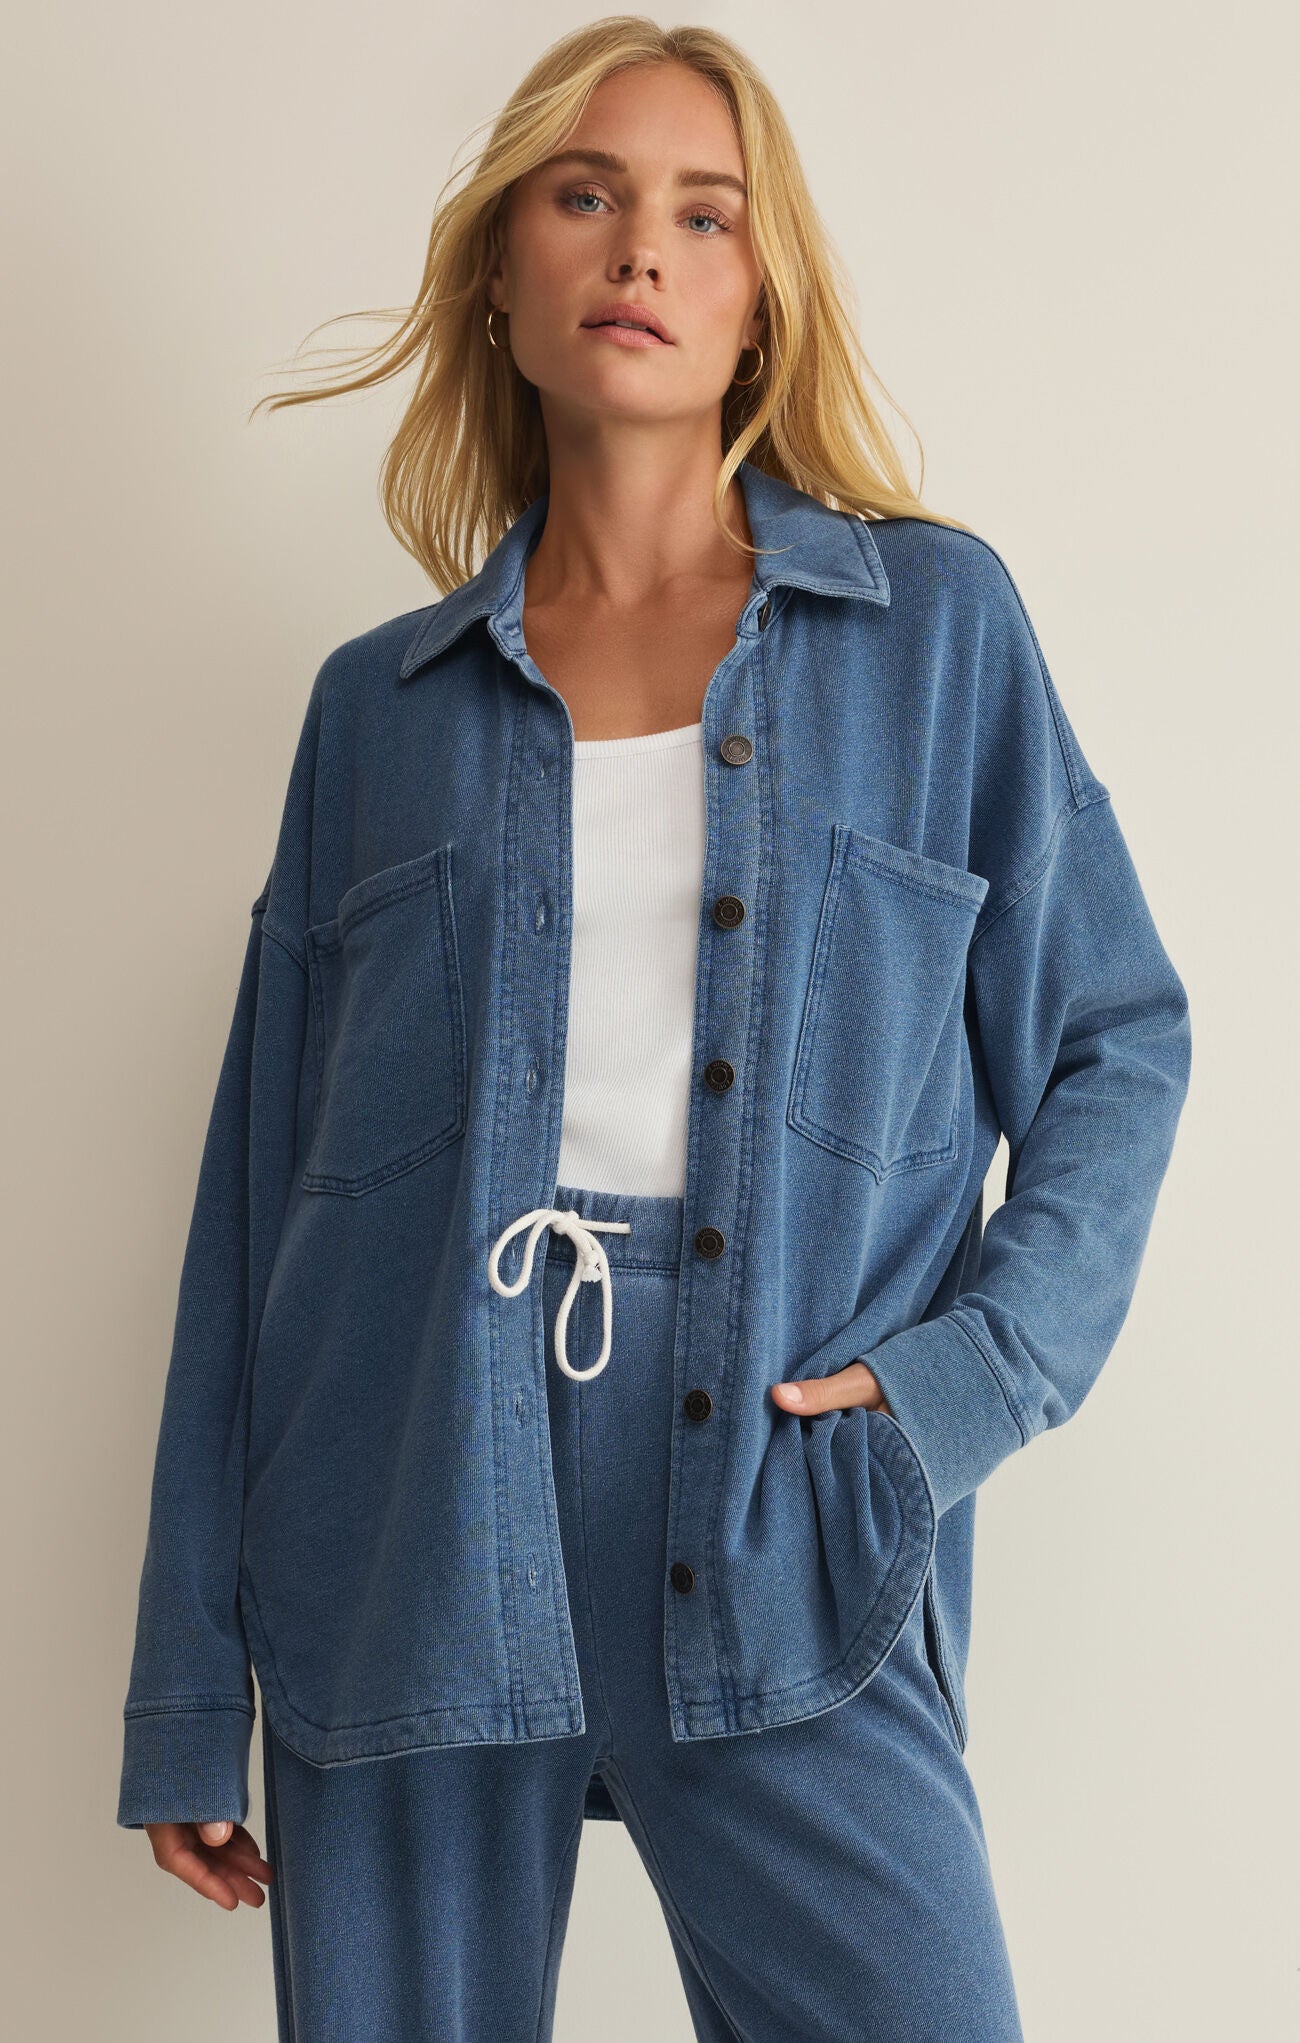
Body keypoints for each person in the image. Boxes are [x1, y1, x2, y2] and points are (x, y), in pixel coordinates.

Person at [116, 19, 1192, 2040]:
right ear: (501, 276)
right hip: (404, 1504)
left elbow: (1111, 1042)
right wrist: (188, 1676)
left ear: (759, 296)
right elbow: (259, 1196)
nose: (641, 249)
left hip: (783, 1495)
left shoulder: (931, 638)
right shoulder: (377, 714)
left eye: (706, 215)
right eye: (585, 195)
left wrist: (955, 1388)